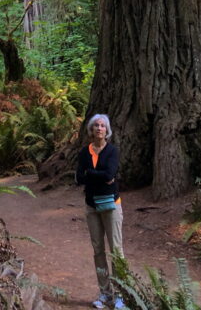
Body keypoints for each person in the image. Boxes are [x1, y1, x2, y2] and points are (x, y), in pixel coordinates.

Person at [75, 113, 125, 310]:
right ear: (91, 129)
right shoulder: (84, 152)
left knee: (116, 250)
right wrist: (99, 176)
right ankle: (105, 293)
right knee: (98, 251)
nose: (99, 128)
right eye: (96, 125)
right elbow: (79, 178)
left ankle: (121, 294)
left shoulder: (112, 151)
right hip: (92, 206)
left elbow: (110, 174)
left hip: (111, 205)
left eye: (103, 125)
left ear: (107, 130)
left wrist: (90, 174)